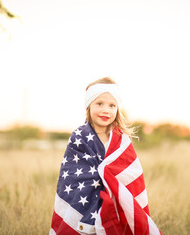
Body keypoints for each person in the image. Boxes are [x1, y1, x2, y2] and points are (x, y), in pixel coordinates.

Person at [50, 77, 162, 235]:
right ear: (89, 106)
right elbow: (73, 178)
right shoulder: (79, 137)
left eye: (112, 105)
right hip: (84, 214)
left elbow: (131, 175)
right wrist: (101, 176)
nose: (106, 110)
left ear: (117, 109)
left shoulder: (122, 141)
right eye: (99, 104)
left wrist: (110, 180)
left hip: (115, 210)